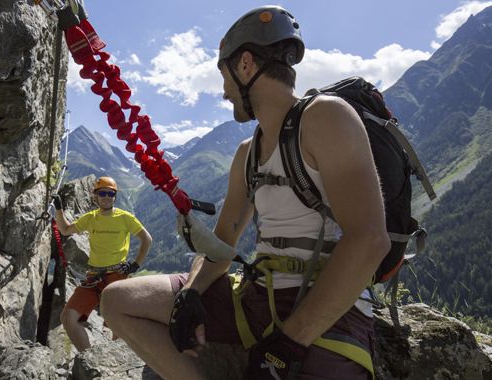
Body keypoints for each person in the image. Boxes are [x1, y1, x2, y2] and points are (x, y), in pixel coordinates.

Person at [100, 5, 390, 380]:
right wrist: (190, 292)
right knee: (117, 301)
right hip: (254, 298)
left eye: (224, 74)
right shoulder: (247, 154)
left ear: (246, 65)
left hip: (327, 308)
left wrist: (291, 340)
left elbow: (369, 239)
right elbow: (223, 244)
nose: (224, 91)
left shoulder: (327, 117)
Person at [53, 176, 152, 352]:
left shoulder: (125, 218)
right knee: (68, 318)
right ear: (95, 196)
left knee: (116, 324)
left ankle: (113, 361)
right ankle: (89, 359)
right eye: (102, 193)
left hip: (117, 275)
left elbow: (146, 239)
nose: (107, 196)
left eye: (111, 193)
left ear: (115, 196)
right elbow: (65, 230)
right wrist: (59, 209)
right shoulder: (90, 218)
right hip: (94, 277)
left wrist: (135, 264)